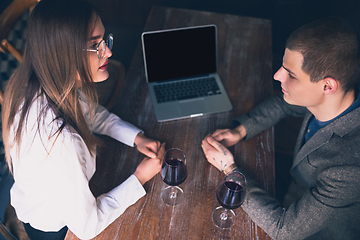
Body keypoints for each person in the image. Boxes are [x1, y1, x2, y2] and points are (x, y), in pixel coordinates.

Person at [1, 0, 165, 239]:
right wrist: (140, 177)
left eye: (103, 40)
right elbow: (87, 227)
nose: (108, 51)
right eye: (95, 45)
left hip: (47, 198)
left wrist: (136, 138)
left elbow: (92, 114)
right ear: (64, 55)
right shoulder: (61, 142)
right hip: (55, 230)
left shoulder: (43, 81)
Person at [201, 16, 360, 240]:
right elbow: (283, 105)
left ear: (328, 86)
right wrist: (241, 130)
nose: (277, 76)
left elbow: (283, 229)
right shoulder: (340, 97)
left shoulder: (351, 168)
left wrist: (230, 170)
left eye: (290, 74)